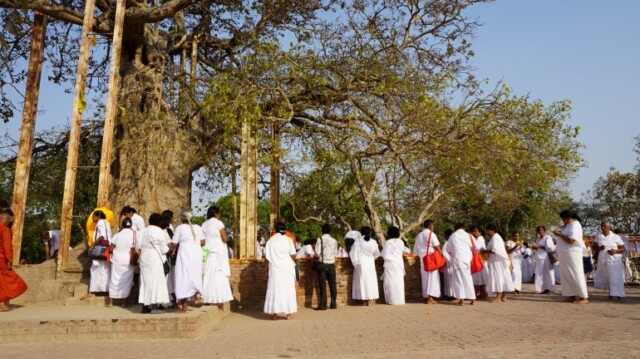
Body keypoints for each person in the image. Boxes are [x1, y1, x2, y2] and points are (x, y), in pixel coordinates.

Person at [171, 211, 205, 312]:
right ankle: (196, 292)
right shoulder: (198, 227)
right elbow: (203, 242)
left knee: (182, 277)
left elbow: (174, 243)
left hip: (185, 253)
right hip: (197, 252)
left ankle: (184, 306)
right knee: (195, 274)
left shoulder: (180, 228)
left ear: (182, 219)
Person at [553, 209, 588, 304]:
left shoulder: (576, 225)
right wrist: (561, 234)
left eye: (563, 219)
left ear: (568, 218)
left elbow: (571, 240)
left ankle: (583, 297)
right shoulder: (568, 226)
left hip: (572, 253)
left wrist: (559, 235)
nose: (562, 221)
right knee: (566, 274)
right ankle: (571, 295)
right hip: (565, 253)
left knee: (575, 273)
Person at [263, 222, 297, 320]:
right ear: (284, 230)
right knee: (288, 289)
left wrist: (265, 271)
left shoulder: (270, 241)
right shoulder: (288, 240)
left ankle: (274, 315)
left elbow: (266, 258)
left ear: (275, 229)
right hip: (287, 268)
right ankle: (288, 314)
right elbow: (294, 255)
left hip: (275, 269)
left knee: (275, 290)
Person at [201, 206, 234, 308]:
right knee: (218, 275)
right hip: (217, 253)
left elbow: (203, 240)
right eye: (219, 214)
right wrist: (230, 237)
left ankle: (207, 298)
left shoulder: (204, 224)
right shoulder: (218, 223)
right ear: (216, 214)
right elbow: (224, 238)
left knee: (207, 275)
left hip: (207, 251)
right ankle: (219, 299)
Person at [138, 213, 171, 313]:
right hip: (155, 260)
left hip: (144, 259)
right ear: (159, 222)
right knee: (156, 282)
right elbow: (164, 249)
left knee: (145, 283)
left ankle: (145, 306)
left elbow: (138, 246)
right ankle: (156, 306)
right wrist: (171, 252)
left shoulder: (143, 231)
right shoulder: (159, 231)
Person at [441, 223, 475, 306]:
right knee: (468, 279)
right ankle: (472, 299)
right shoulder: (469, 235)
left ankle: (462, 300)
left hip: (458, 259)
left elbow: (448, 249)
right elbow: (475, 246)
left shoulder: (453, 236)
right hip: (467, 259)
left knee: (459, 279)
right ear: (463, 228)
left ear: (455, 228)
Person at [81, 210, 112, 300]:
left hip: (100, 248)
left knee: (94, 269)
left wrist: (93, 245)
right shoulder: (106, 222)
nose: (93, 219)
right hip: (107, 248)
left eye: (93, 217)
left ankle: (92, 292)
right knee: (105, 269)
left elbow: (101, 236)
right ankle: (106, 290)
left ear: (98, 216)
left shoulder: (100, 223)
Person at [0, 213, 28, 311]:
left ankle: (5, 303)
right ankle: (2, 303)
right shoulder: (5, 229)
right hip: (1, 259)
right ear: (7, 220)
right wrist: (10, 260)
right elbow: (7, 247)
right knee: (10, 280)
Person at [593, 222, 625, 300]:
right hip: (603, 260)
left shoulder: (615, 236)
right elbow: (594, 247)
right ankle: (611, 293)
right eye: (601, 226)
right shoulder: (598, 236)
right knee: (608, 277)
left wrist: (615, 251)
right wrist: (600, 248)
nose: (602, 227)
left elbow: (623, 248)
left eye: (604, 226)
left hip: (614, 260)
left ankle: (619, 294)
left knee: (615, 276)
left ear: (609, 227)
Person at [108, 218, 136, 307]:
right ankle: (124, 302)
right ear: (131, 225)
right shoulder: (135, 235)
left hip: (117, 260)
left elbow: (111, 249)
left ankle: (110, 302)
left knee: (114, 280)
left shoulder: (117, 235)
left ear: (122, 225)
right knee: (127, 281)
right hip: (128, 261)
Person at [350, 226, 381, 306]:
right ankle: (369, 300)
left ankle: (363, 300)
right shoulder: (373, 242)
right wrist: (371, 258)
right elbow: (377, 254)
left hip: (361, 262)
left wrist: (355, 262)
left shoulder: (358, 241)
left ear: (362, 232)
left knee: (361, 281)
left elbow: (353, 253)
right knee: (370, 281)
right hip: (370, 263)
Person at [413, 219, 441, 304]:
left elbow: (415, 250)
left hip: (423, 259)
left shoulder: (418, 235)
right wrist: (441, 255)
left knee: (425, 278)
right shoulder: (431, 234)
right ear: (430, 226)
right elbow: (437, 246)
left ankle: (426, 297)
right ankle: (430, 298)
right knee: (432, 278)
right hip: (431, 258)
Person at [484, 225, 514, 303]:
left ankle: (498, 297)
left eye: (488, 230)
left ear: (492, 230)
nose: (487, 232)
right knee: (503, 277)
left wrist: (485, 251)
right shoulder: (496, 238)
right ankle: (504, 296)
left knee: (498, 277)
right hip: (498, 261)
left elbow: (494, 250)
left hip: (497, 261)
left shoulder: (495, 238)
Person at [381, 226, 410, 305]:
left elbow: (383, 254)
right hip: (398, 264)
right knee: (399, 282)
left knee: (390, 281)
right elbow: (407, 251)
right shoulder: (400, 242)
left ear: (389, 234)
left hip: (390, 264)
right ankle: (400, 300)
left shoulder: (388, 242)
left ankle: (392, 300)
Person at [314, 223, 339, 310]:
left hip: (323, 264)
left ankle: (323, 305)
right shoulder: (334, 241)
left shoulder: (320, 239)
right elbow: (336, 253)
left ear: (322, 230)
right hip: (331, 264)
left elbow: (317, 252)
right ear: (330, 231)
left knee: (322, 285)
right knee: (332, 285)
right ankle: (333, 304)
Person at [532, 226, 556, 294]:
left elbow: (550, 248)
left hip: (546, 258)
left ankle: (551, 288)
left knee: (549, 273)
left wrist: (539, 246)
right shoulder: (538, 239)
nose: (540, 231)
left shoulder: (547, 237)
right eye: (539, 230)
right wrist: (535, 247)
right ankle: (543, 288)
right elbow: (537, 247)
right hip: (539, 258)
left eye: (541, 230)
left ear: (544, 230)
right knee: (540, 273)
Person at [470, 226, 488, 299]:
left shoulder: (479, 240)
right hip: (480, 260)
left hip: (480, 261)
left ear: (480, 232)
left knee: (481, 278)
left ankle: (483, 294)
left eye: (475, 231)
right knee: (481, 278)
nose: (474, 233)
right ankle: (482, 294)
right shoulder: (478, 239)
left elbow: (476, 248)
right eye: (473, 231)